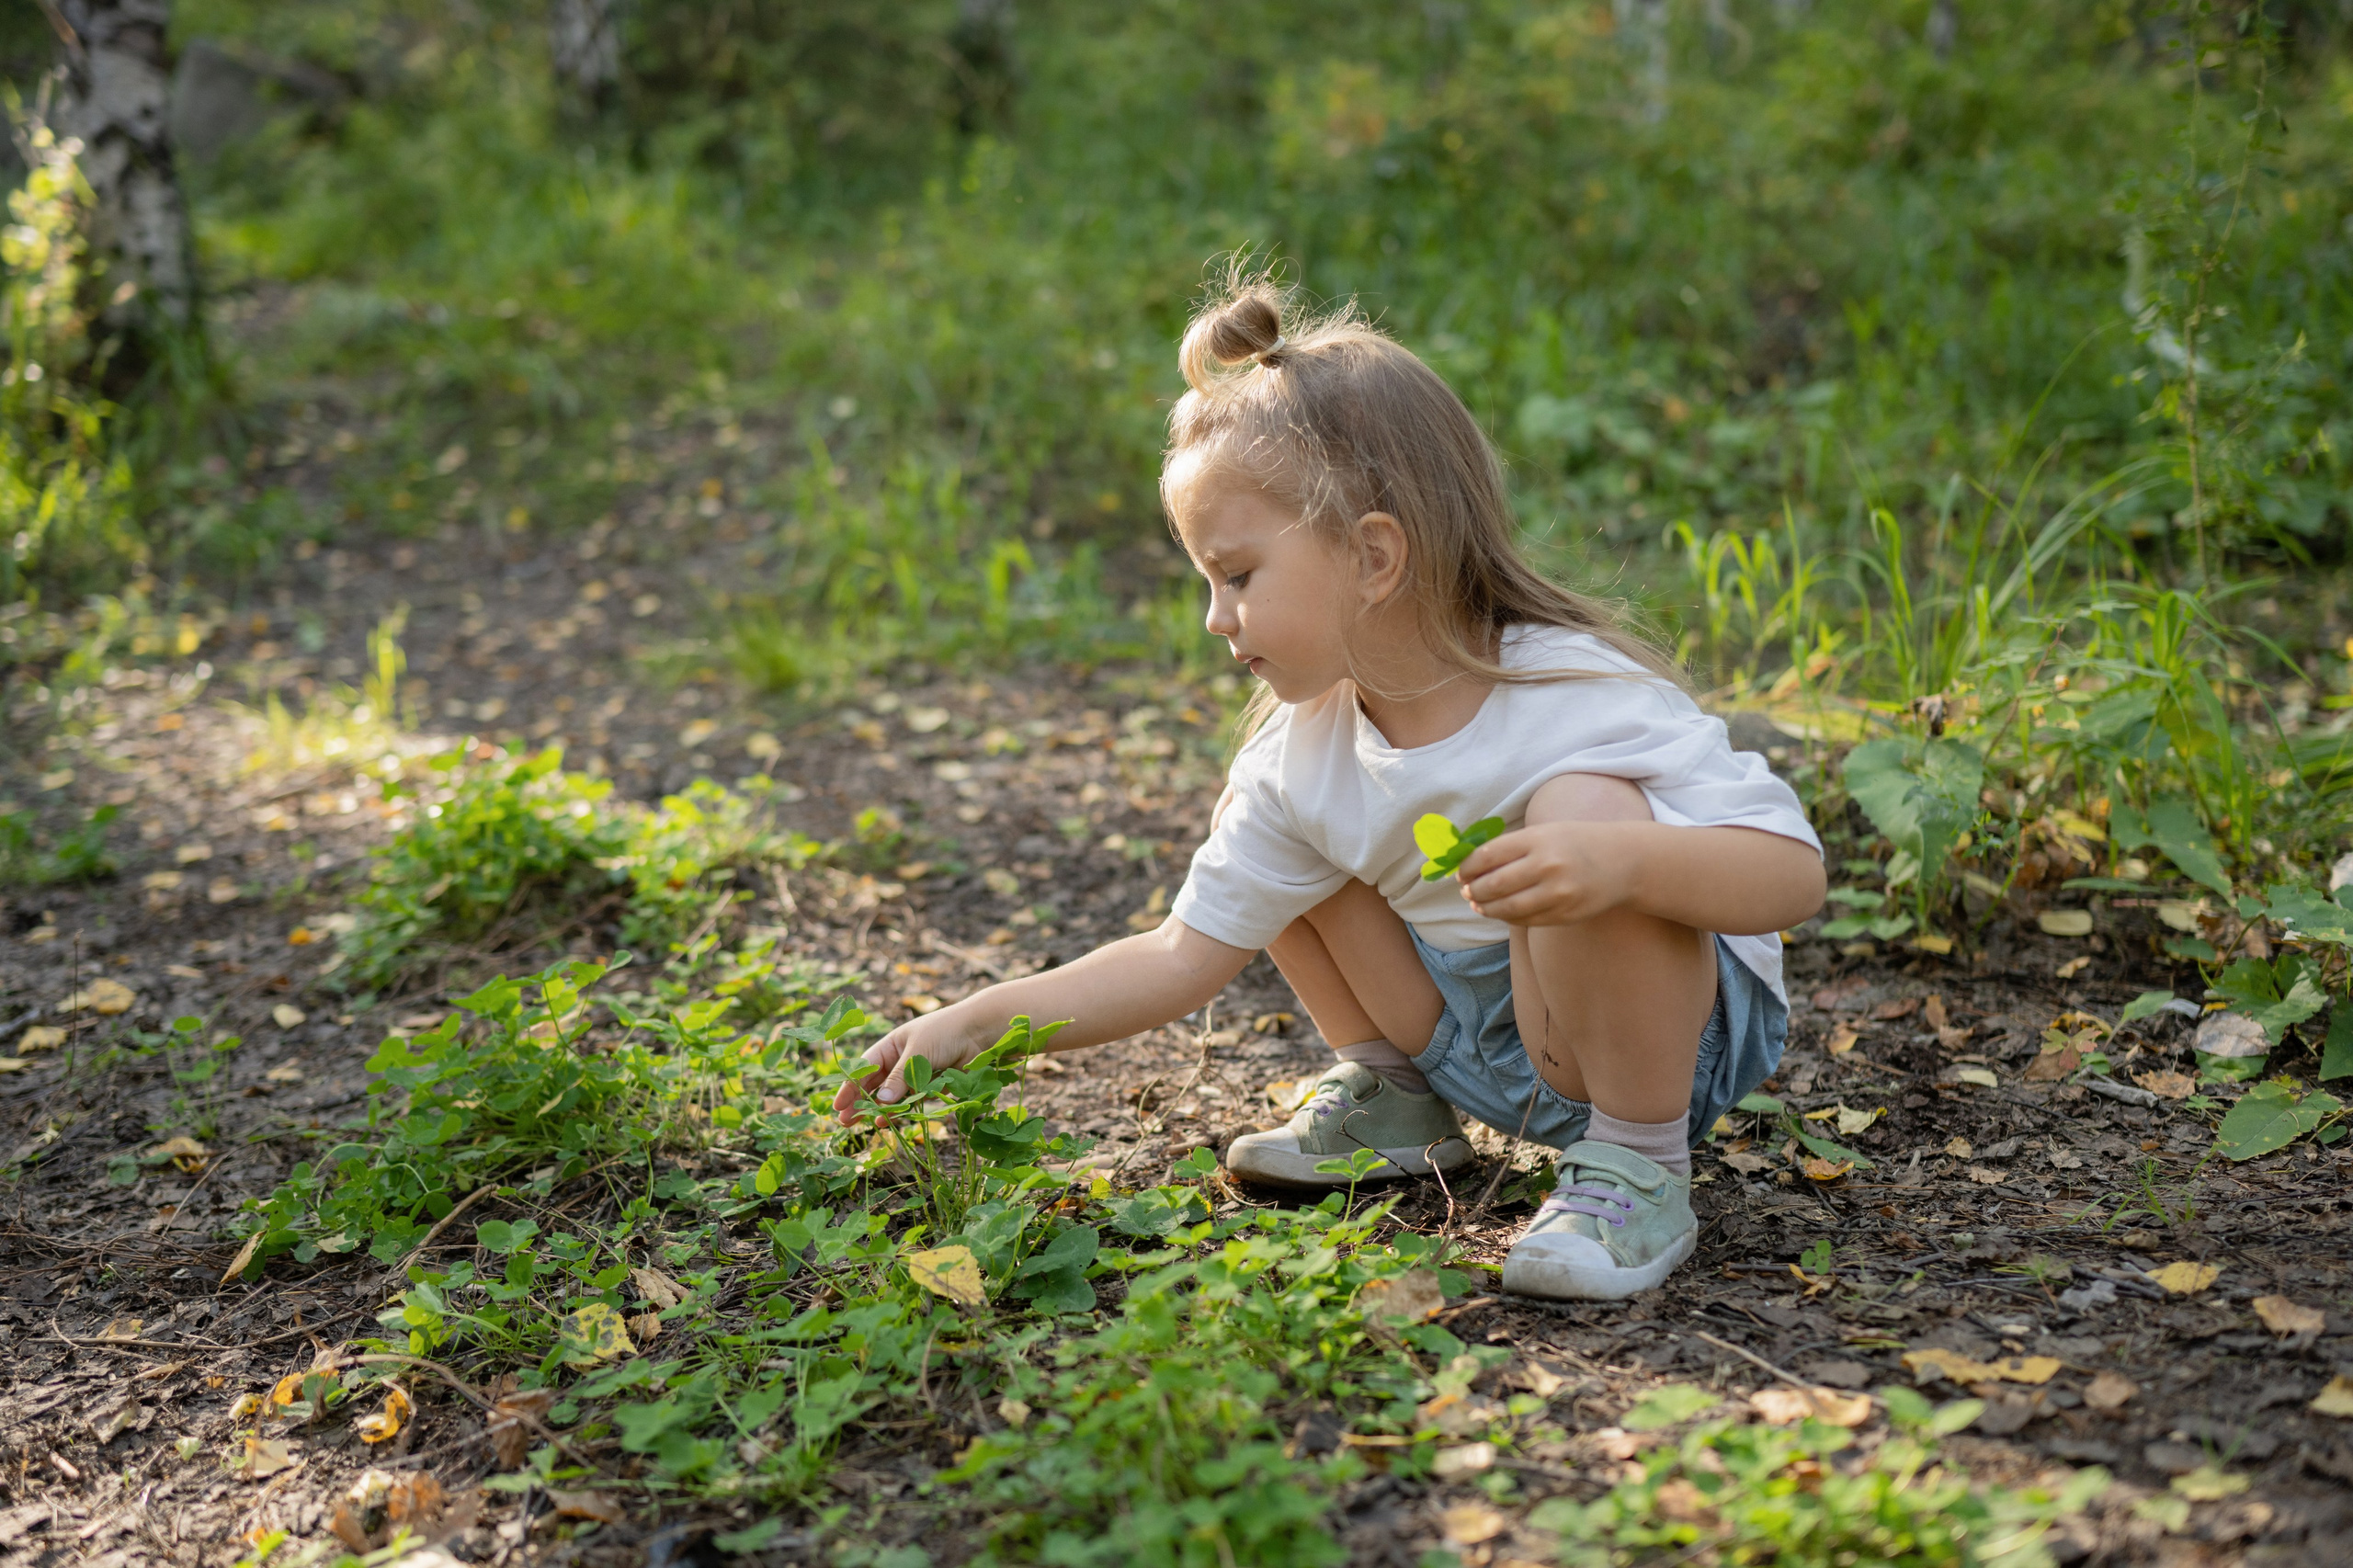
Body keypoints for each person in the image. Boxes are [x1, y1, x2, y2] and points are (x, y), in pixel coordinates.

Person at [835, 271, 1825, 1301]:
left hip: (1658, 1038)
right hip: (1465, 1039)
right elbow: (1181, 953)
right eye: (1207, 584)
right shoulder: (1304, 744)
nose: (1216, 618)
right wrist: (976, 1020)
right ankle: (1396, 1101)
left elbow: (1790, 876)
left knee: (1582, 805)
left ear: (1371, 555)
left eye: (1239, 576)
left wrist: (1617, 861)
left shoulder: (1570, 691)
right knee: (1275, 840)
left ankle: (1635, 1163)